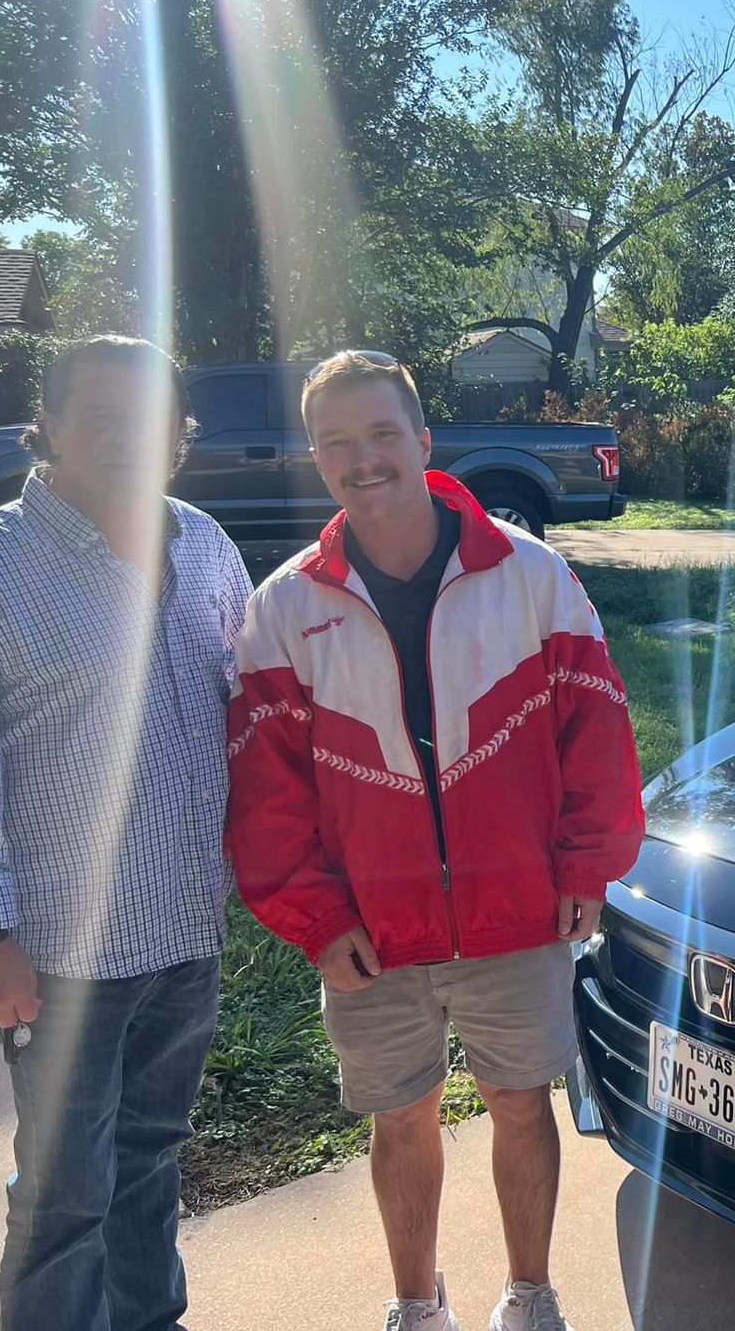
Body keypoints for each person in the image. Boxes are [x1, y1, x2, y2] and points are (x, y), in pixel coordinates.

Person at [225, 350, 643, 1331]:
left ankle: (529, 1294)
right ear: (316, 458)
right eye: (336, 443)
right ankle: (417, 1305)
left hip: (518, 913)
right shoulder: (284, 609)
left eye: (381, 435)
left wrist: (588, 867)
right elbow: (265, 792)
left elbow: (598, 731)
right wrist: (317, 920)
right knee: (401, 1119)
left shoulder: (531, 574)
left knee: (518, 1102)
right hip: (372, 929)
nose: (362, 459)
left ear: (423, 440)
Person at [0, 335, 252, 1331]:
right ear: (45, 425)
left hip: (183, 937)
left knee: (149, 1161)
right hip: (55, 960)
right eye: (98, 414)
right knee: (61, 1198)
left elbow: (245, 710)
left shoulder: (205, 545)